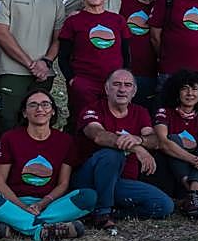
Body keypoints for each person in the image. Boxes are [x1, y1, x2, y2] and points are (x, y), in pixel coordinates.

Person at [0, 89, 94, 241]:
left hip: (48, 205)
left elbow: (63, 184)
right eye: (33, 105)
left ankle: (17, 226)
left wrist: (42, 204)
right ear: (24, 113)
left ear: (52, 112)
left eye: (45, 104)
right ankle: (40, 230)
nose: (40, 109)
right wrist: (22, 207)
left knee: (88, 196)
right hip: (13, 202)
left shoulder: (65, 141)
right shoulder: (10, 138)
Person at [72, 69, 174, 230]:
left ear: (134, 91)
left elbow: (154, 140)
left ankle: (113, 212)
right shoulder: (92, 110)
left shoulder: (140, 112)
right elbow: (98, 135)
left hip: (121, 182)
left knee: (164, 205)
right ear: (107, 89)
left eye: (127, 85)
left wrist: (140, 139)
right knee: (112, 154)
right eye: (117, 84)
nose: (122, 89)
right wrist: (137, 148)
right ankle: (102, 212)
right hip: (90, 180)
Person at [0, 0, 65, 145]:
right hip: (11, 73)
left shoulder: (55, 1)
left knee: (37, 127)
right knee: (8, 125)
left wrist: (46, 62)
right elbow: (0, 34)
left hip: (42, 76)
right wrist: (31, 64)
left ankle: (28, 172)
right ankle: (1, 174)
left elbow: (58, 38)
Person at [58, 0, 130, 118]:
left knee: (111, 122)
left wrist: (124, 78)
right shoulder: (73, 21)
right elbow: (63, 56)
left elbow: (126, 53)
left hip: (113, 85)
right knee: (81, 121)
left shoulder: (118, 20)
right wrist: (72, 80)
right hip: (84, 85)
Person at [153, 70, 198, 219]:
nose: (190, 93)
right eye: (185, 88)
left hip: (191, 172)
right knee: (173, 139)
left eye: (194, 89)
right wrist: (196, 161)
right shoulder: (164, 112)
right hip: (169, 170)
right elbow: (163, 143)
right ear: (176, 92)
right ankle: (194, 194)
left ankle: (193, 195)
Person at [118, 0, 163, 110]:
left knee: (142, 115)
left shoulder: (161, 7)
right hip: (120, 70)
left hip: (148, 73)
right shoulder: (121, 0)